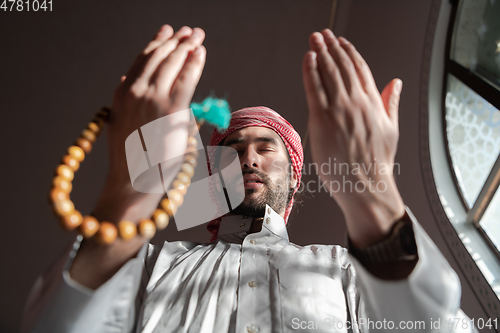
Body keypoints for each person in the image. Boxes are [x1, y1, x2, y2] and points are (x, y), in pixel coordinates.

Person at [22, 25, 475, 333]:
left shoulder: (344, 270)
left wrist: (373, 197)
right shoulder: (149, 264)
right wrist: (128, 196)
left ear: (296, 177)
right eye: (232, 151)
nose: (248, 159)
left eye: (265, 146)